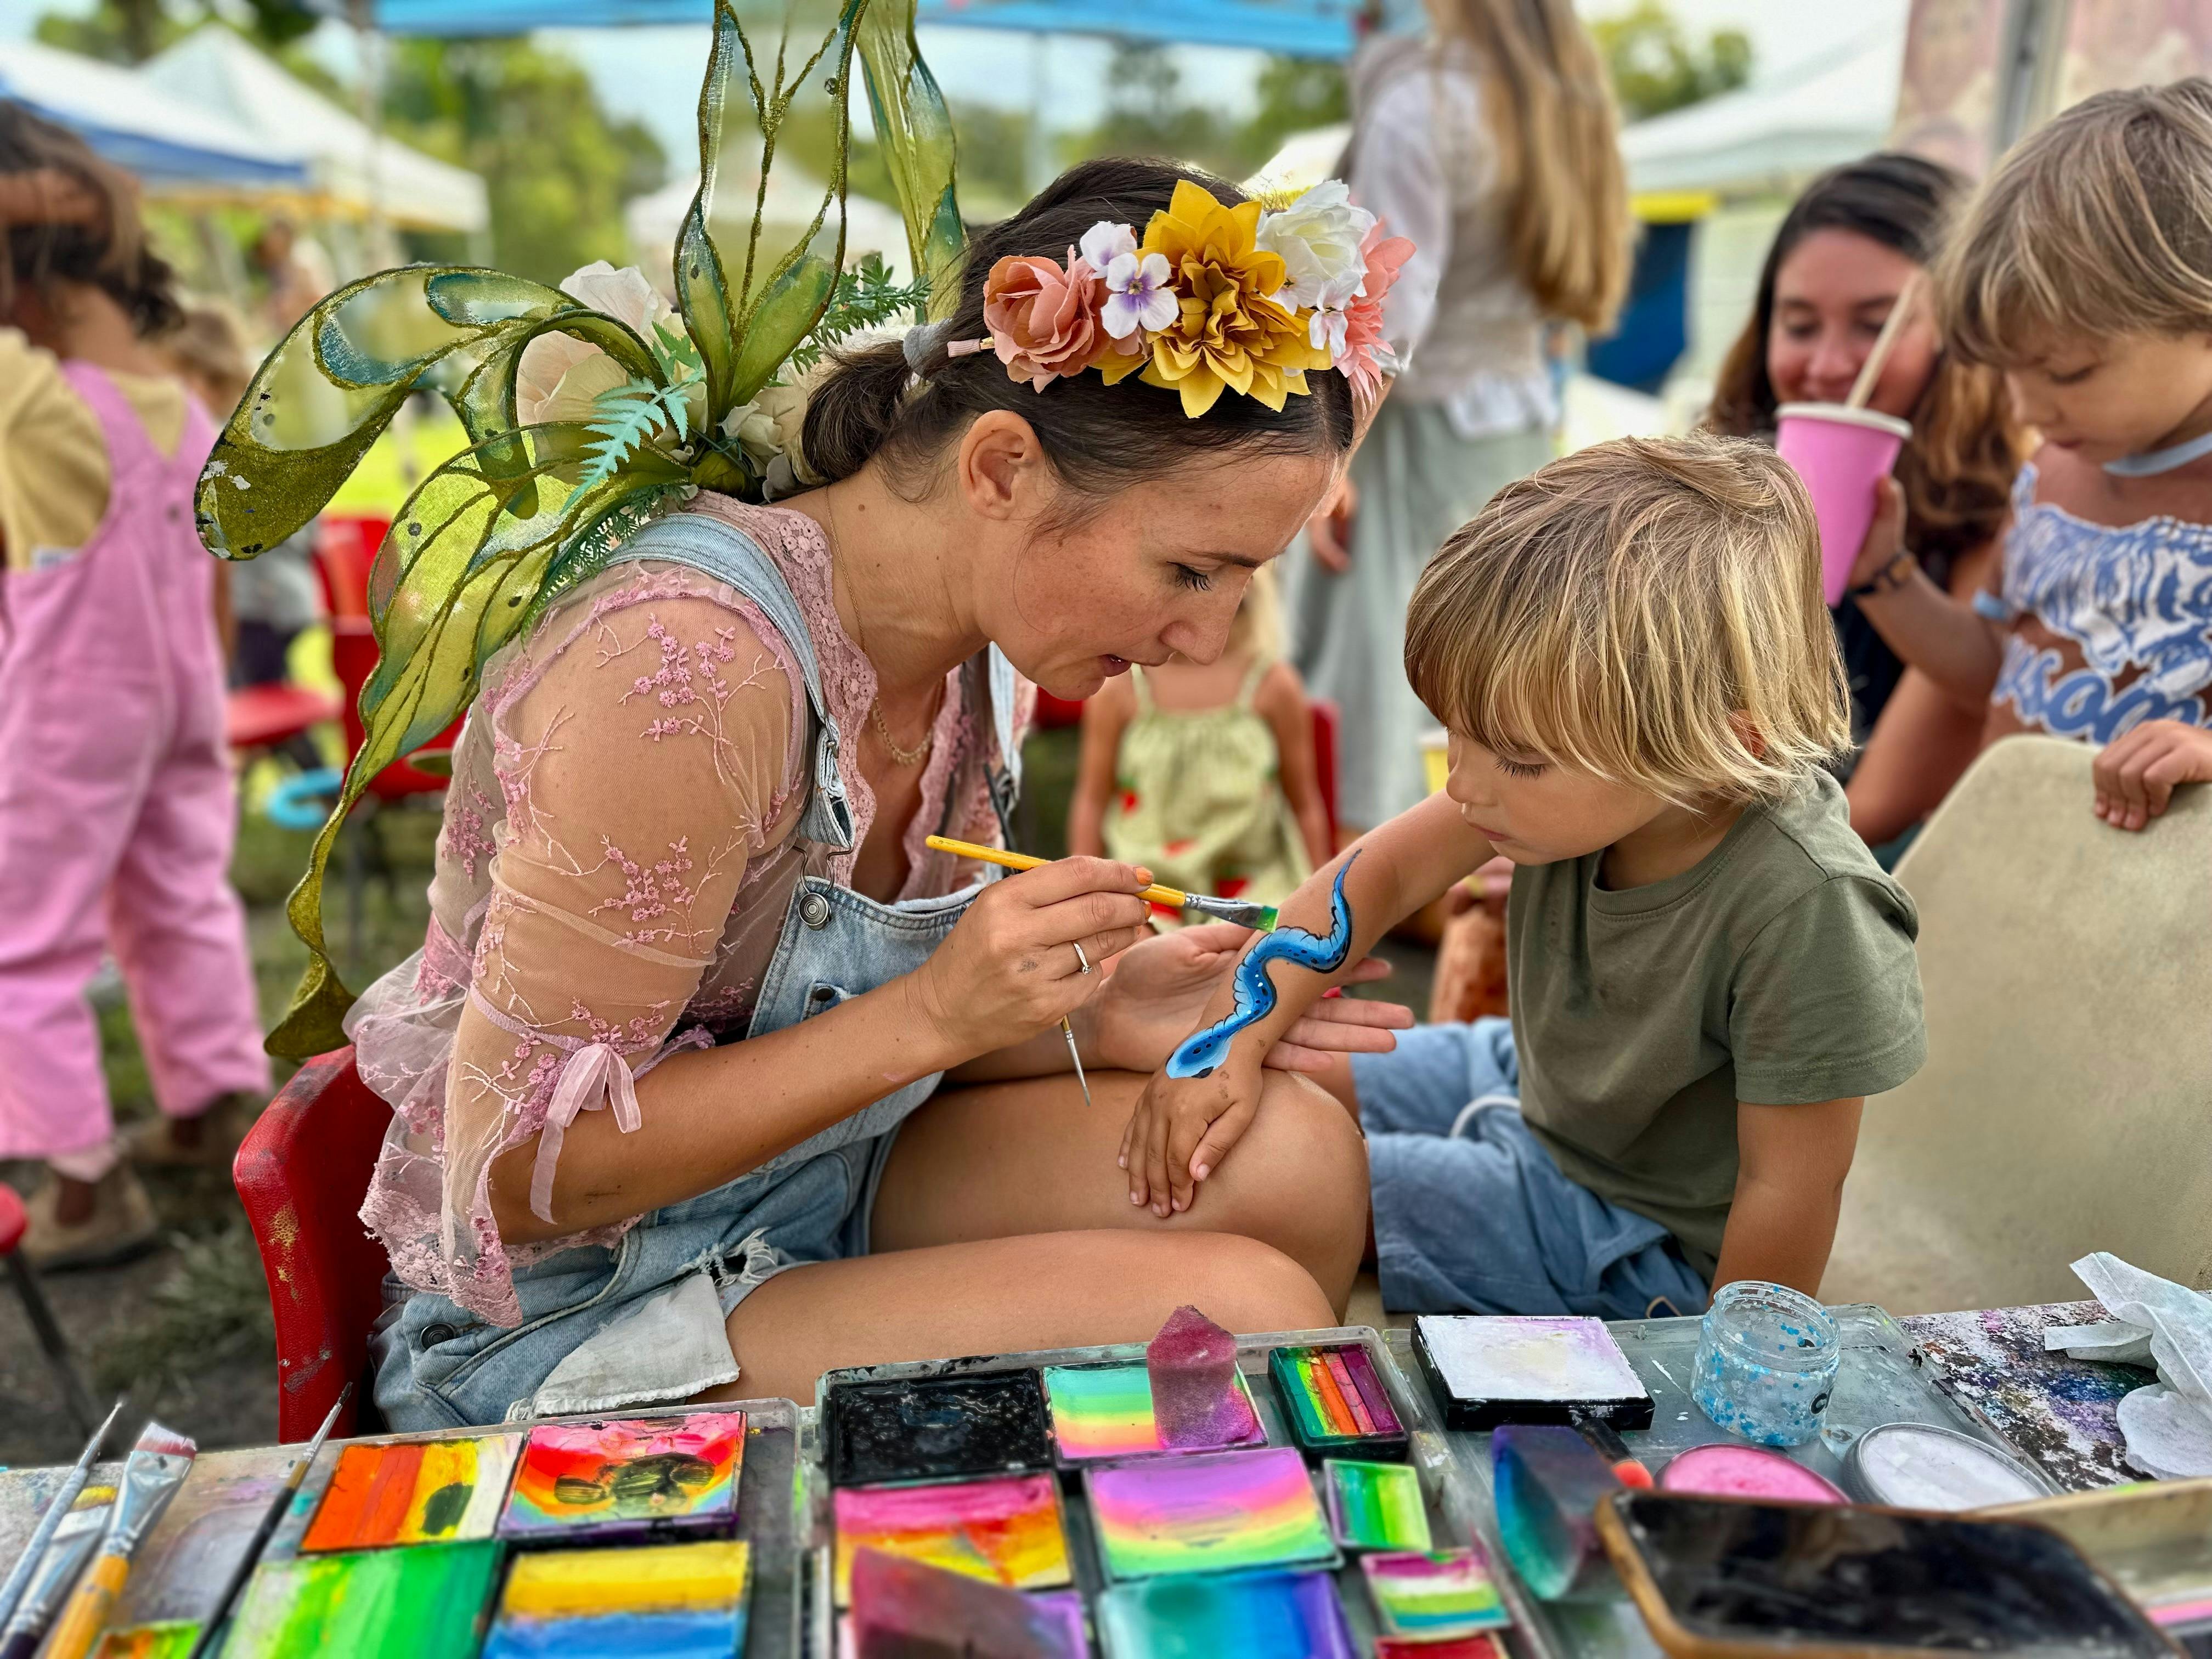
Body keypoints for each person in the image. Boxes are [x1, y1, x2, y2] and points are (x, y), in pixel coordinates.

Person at [340, 158, 1417, 1429]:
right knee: (1245, 1326)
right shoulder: (685, 666)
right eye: (1191, 568)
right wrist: (939, 1012)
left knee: (1298, 1160)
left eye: (1244, 581)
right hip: (586, 1300)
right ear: (1002, 467)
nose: (1213, 638)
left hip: (811, 1179)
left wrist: (1097, 1012)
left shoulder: (978, 648)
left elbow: (806, 1021)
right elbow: (520, 1174)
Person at [1122, 436, 1928, 1319]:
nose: (1462, 785)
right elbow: (1378, 877)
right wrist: (1230, 1042)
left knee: (1275, 1176)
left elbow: (1792, 1188)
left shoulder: (1808, 908)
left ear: (1723, 744)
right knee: (1257, 1071)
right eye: (1456, 735)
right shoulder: (1601, 774)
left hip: (1630, 1236)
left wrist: (1719, 1384)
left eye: (1515, 758)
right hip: (1527, 1079)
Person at [0, 109, 269, 1266]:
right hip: (179, 699)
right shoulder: (178, 396)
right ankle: (214, 1115)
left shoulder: (31, 393)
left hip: (75, 705)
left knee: (23, 934)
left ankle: (79, 1182)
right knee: (178, 898)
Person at [1283, 0, 1631, 837]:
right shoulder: (1559, 100)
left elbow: (1393, 305)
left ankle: (1374, 892)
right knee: (1492, 661)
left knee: (1383, 679)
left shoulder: (1425, 101)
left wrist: (1333, 451)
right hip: (1509, 425)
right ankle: (1479, 867)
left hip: (1407, 429)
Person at [1843, 80, 2212, 833]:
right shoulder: (2051, 471)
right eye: (2008, 372)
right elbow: (1996, 672)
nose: (2027, 410)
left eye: (2068, 373)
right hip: (2021, 878)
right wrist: (1884, 576)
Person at [1707, 154, 2027, 853]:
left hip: (1853, 872)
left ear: (1956, 334)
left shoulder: (2006, 516)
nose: (1826, 364)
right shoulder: (1717, 472)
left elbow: (1876, 806)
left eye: (1873, 325)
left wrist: (1877, 571)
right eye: (1798, 325)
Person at [1068, 565, 1330, 917]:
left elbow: (1304, 804)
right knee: (1131, 960)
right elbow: (1092, 800)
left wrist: (1323, 902)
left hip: (1257, 887)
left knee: (1259, 959)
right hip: (1145, 887)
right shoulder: (1122, 688)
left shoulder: (1273, 684)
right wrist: (1085, 894)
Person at [160, 301, 323, 696]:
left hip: (255, 602)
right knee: (270, 701)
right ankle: (305, 757)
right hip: (290, 596)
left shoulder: (213, 441)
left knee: (243, 704)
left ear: (200, 376)